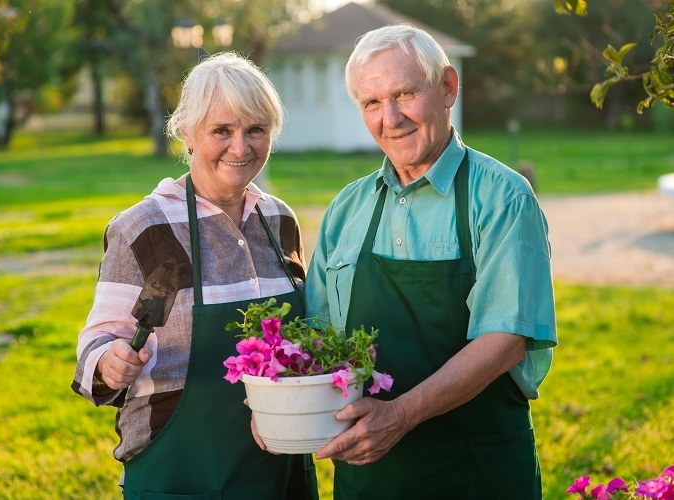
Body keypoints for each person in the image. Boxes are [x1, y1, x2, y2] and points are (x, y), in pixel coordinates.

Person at [306, 25, 557, 499]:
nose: (391, 118)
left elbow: (505, 341)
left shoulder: (502, 197)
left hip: (476, 469)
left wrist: (398, 416)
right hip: (372, 477)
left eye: (404, 93)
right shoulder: (347, 208)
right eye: (371, 103)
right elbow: (317, 340)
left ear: (447, 88)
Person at [71, 52, 317, 500]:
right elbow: (96, 348)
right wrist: (109, 361)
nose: (240, 148)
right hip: (180, 475)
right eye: (221, 130)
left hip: (280, 472)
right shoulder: (145, 230)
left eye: (255, 130)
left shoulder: (278, 220)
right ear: (186, 133)